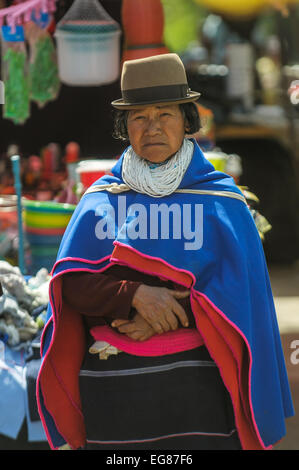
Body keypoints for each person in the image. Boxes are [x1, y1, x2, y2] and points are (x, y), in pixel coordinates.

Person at [37, 53, 294, 451]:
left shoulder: (221, 201)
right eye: (139, 117)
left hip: (202, 397)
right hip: (116, 400)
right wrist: (134, 296)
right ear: (125, 127)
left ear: (187, 122)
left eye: (165, 114)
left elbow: (243, 296)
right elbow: (70, 286)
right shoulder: (102, 199)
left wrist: (166, 316)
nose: (152, 128)